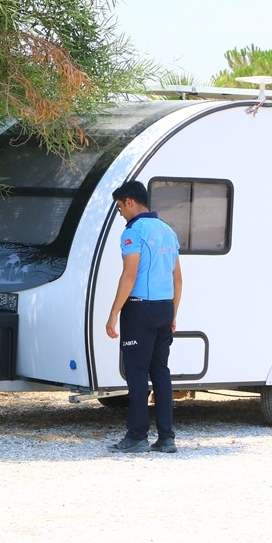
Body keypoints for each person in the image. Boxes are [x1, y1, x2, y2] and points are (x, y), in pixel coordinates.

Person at [105, 180, 183, 454]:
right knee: (160, 372)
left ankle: (136, 436)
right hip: (164, 308)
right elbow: (178, 278)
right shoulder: (167, 231)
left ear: (129, 201)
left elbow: (130, 274)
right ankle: (166, 437)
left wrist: (114, 312)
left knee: (137, 373)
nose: (121, 214)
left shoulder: (133, 232)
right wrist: (173, 312)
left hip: (139, 308)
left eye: (119, 208)